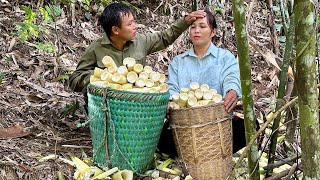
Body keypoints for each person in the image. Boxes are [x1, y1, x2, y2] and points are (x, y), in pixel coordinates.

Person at [69, 3, 206, 102]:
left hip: (135, 107)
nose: (135, 27)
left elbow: (164, 38)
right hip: (106, 107)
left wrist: (185, 22)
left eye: (134, 22)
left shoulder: (141, 41)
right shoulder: (96, 48)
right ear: (116, 30)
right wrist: (101, 76)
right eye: (130, 24)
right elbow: (74, 80)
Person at [159, 10, 246, 156]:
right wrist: (170, 102)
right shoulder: (178, 62)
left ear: (213, 32)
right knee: (159, 137)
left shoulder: (225, 57)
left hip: (217, 123)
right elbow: (172, 89)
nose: (196, 31)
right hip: (185, 125)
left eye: (202, 26)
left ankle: (201, 152)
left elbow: (231, 77)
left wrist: (232, 91)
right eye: (193, 27)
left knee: (248, 127)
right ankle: (209, 151)